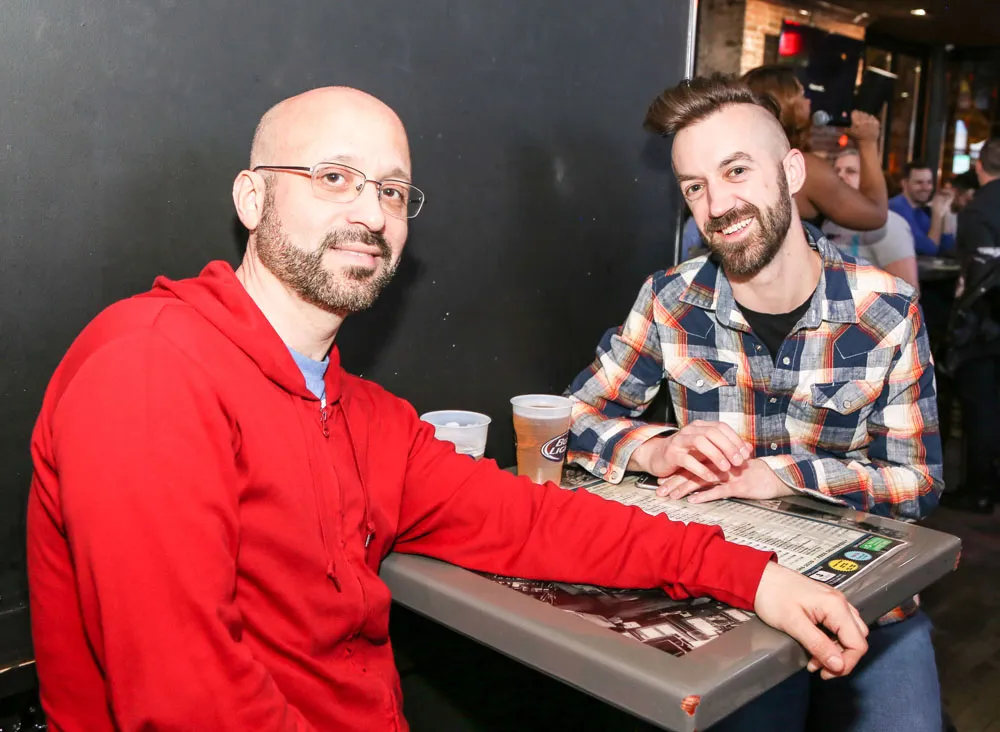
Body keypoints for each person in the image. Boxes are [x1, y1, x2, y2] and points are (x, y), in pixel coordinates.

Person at [26, 87, 868, 731]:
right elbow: (186, 703)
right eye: (334, 178)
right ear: (252, 199)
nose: (370, 212)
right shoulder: (151, 367)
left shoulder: (364, 416)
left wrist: (751, 575)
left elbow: (538, 521)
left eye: (393, 192)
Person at [568, 75, 943, 732]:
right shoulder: (671, 300)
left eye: (735, 170)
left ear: (791, 172)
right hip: (728, 606)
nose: (717, 204)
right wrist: (656, 449)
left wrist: (777, 475)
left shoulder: (885, 309)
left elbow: (917, 485)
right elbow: (564, 423)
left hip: (869, 605)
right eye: (694, 187)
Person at [741, 65, 888, 232]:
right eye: (803, 95)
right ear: (785, 104)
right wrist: (867, 143)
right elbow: (875, 215)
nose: (809, 101)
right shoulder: (802, 169)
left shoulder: (743, 159)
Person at [942, 137, 1000, 513]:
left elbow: (979, 276)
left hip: (984, 324)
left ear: (979, 167)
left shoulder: (978, 208)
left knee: (980, 407)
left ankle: (980, 489)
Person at [824, 148, 919, 292]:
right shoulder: (829, 222)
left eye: (851, 171)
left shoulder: (888, 224)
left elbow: (907, 292)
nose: (841, 176)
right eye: (836, 171)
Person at [889, 161, 956, 255]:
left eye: (929, 182)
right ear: (904, 184)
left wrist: (946, 210)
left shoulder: (920, 211)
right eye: (919, 182)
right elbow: (928, 250)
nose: (926, 188)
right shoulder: (897, 207)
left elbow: (947, 248)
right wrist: (936, 214)